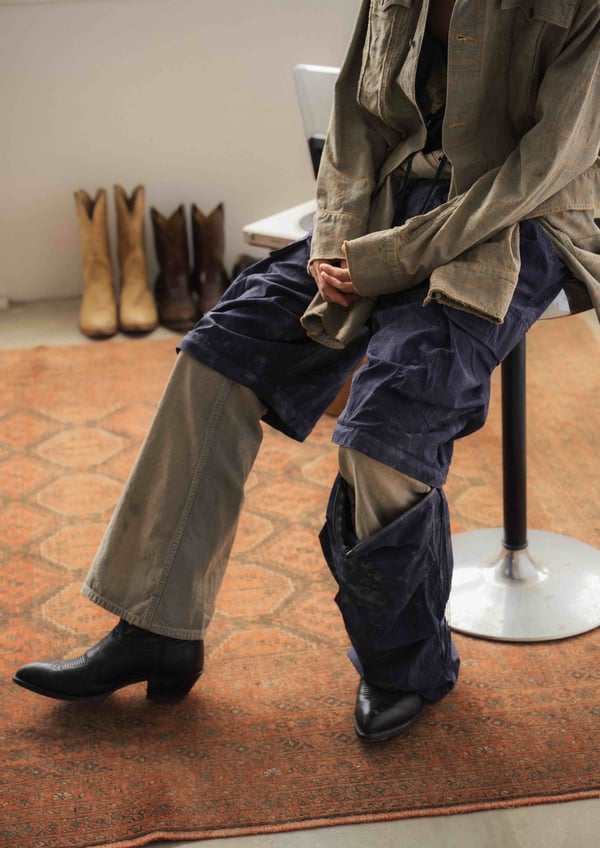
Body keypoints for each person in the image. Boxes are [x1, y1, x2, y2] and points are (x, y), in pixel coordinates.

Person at [13, 0, 600, 742]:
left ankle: (405, 666)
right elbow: (354, 124)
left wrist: (392, 259)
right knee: (218, 356)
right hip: (386, 209)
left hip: (517, 224)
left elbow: (546, 166)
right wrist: (336, 240)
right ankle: (155, 627)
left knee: (388, 426)